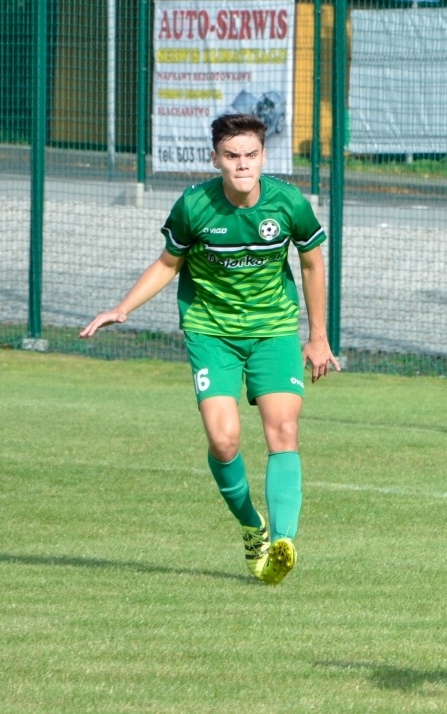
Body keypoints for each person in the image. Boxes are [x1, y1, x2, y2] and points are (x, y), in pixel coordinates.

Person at [81, 113, 338, 585]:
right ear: (216, 158)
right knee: (224, 441)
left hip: (273, 330)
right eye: (232, 156)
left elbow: (313, 263)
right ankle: (251, 527)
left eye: (251, 155)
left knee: (284, 428)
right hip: (210, 331)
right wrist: (124, 308)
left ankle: (282, 543)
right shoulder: (194, 206)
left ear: (264, 156)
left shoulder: (288, 203)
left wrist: (317, 335)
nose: (243, 166)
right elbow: (167, 263)